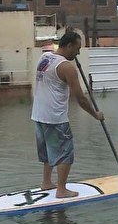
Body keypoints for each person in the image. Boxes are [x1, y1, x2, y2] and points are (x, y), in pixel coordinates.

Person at [31, 31, 104, 198]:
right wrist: (95, 115)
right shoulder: (67, 68)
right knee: (65, 153)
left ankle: (46, 182)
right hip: (55, 118)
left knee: (48, 151)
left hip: (38, 114)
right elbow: (80, 98)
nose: (78, 53)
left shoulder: (44, 58)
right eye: (77, 49)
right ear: (69, 45)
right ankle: (61, 190)